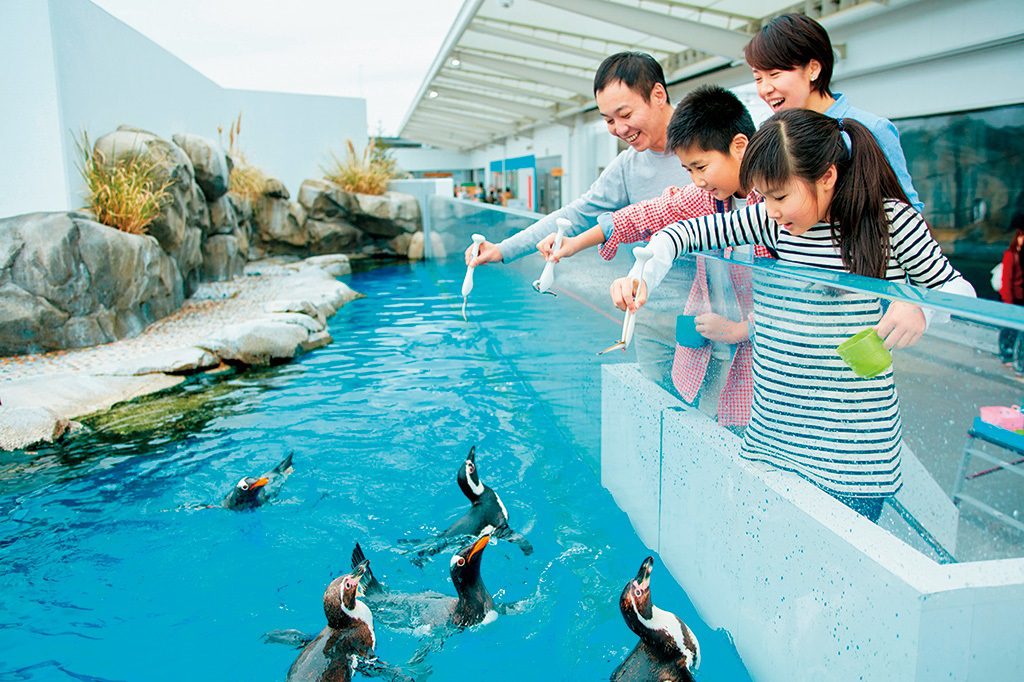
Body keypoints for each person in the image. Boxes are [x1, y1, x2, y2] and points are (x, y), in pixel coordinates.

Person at [610, 109, 976, 521]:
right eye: (764, 197)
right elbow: (686, 233)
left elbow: (958, 292)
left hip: (852, 454)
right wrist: (643, 273)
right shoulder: (773, 222)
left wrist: (919, 305)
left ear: (826, 177)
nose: (771, 210)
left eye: (780, 196)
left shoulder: (889, 221)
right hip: (774, 435)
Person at [543, 85, 771, 430]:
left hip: (766, 354)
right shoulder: (704, 197)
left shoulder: (778, 203)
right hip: (720, 344)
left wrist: (743, 329)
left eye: (700, 166)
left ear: (739, 146)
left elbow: (805, 295)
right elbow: (642, 216)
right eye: (688, 170)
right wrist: (573, 244)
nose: (696, 180)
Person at [464, 52, 688, 268]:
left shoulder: (714, 143)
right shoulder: (627, 166)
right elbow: (578, 214)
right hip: (647, 297)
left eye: (626, 115)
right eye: (609, 120)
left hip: (718, 300)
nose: (620, 129)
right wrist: (503, 249)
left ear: (658, 95)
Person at [744, 13, 923, 212]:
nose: (765, 89)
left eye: (774, 74)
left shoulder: (872, 129)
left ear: (813, 69)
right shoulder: (772, 136)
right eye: (758, 78)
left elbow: (908, 211)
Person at [998, 215, 1024, 368]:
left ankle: (1016, 358)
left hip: (1021, 299)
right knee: (1009, 328)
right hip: (1012, 299)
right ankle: (1006, 354)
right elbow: (1006, 281)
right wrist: (1007, 302)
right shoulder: (1010, 255)